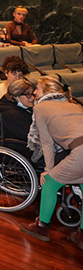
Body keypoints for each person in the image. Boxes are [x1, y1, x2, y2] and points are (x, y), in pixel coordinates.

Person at [17, 77, 83, 246]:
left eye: (37, 89)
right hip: (79, 149)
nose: (34, 92)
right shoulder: (73, 104)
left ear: (46, 91)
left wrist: (48, 169)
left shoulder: (40, 108)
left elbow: (46, 143)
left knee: (49, 183)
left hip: (80, 151)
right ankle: (81, 234)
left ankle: (41, 227)